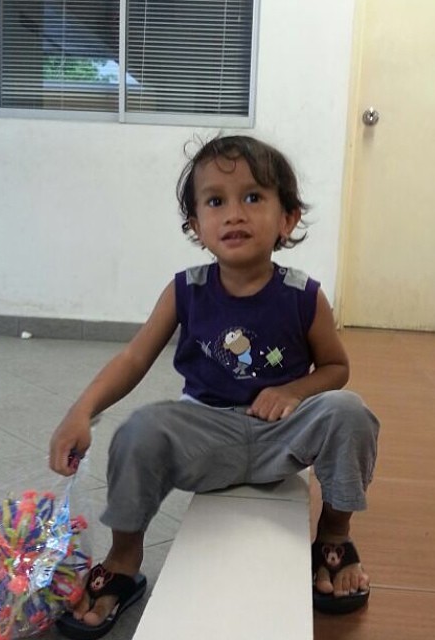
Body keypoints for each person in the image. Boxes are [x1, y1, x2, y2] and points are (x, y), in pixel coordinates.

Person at [49, 135, 380, 638]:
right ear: (195, 226)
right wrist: (82, 409)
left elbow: (336, 367)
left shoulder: (304, 296)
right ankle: (123, 559)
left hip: (280, 435)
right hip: (205, 434)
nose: (234, 214)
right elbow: (134, 356)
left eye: (253, 197)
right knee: (140, 429)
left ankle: (334, 534)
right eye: (215, 201)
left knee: (349, 411)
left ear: (287, 219)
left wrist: (294, 390)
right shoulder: (186, 290)